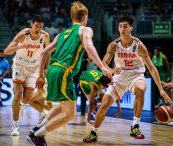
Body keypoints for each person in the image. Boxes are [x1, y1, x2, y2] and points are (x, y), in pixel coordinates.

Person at [26, 1, 112, 145]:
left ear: (72, 17)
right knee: (71, 114)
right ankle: (38, 135)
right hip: (64, 72)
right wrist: (102, 66)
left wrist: (41, 75)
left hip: (52, 71)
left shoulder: (61, 34)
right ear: (84, 16)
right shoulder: (85, 30)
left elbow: (44, 53)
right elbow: (89, 45)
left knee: (62, 106)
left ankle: (37, 128)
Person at [83, 16, 172, 143]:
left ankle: (135, 126)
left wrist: (161, 90)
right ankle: (93, 133)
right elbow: (103, 64)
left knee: (141, 89)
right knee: (103, 106)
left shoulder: (139, 46)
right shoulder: (114, 45)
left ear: (131, 28)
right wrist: (112, 70)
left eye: (125, 26)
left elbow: (152, 68)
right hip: (119, 78)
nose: (122, 29)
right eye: (120, 26)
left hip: (136, 75)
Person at [4, 15, 50, 136]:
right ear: (31, 24)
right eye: (36, 26)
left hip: (34, 69)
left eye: (41, 27)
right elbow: (6, 51)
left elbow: (47, 53)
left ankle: (35, 110)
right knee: (18, 94)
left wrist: (45, 70)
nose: (38, 29)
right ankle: (15, 126)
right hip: (20, 66)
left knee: (28, 99)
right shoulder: (23, 35)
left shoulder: (45, 36)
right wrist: (20, 46)